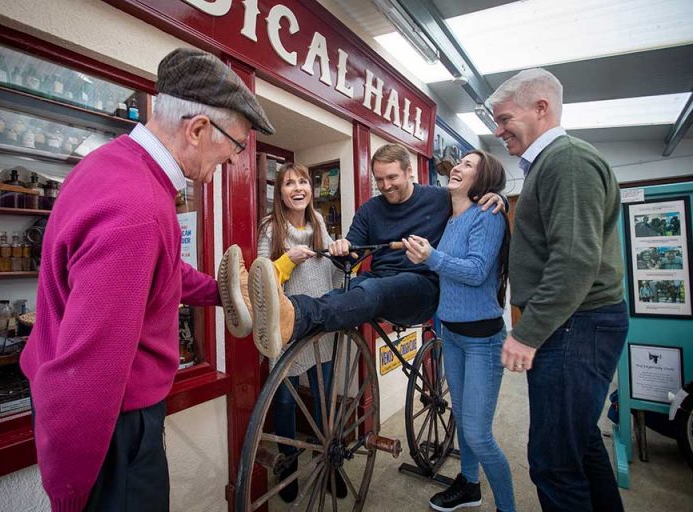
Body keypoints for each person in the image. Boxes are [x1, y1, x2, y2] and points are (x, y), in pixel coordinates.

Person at [20, 47, 274, 512]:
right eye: (235, 146)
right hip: (112, 429)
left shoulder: (113, 165)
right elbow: (88, 365)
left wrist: (222, 292)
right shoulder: (139, 209)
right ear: (198, 129)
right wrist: (73, 492)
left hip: (109, 418)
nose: (234, 160)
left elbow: (160, 270)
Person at [220, 143, 505, 362]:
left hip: (422, 288)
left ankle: (289, 320)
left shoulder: (438, 198)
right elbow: (352, 251)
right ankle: (270, 308)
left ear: (409, 172)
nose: (385, 186)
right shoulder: (370, 209)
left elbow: (473, 199)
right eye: (379, 179)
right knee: (341, 292)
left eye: (392, 177)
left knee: (372, 289)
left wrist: (498, 196)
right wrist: (343, 248)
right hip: (379, 282)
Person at [489, 68, 628, 512]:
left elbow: (574, 261)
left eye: (505, 117)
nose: (498, 130)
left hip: (575, 326)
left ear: (541, 108)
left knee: (552, 464)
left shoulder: (567, 161)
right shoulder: (549, 164)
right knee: (581, 444)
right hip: (574, 325)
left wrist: (528, 332)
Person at [402, 150, 515, 512]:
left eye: (469, 165)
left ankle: (508, 507)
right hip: (449, 332)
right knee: (463, 421)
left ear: (482, 180)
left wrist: (432, 257)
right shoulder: (452, 219)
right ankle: (470, 485)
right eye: (459, 163)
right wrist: (424, 257)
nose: (459, 168)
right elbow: (446, 269)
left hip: (482, 339)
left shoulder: (488, 214)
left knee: (479, 435)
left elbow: (477, 271)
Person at [257, 162, 346, 501]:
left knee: (325, 400)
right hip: (288, 331)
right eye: (289, 183)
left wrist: (342, 256)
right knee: (284, 403)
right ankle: (288, 469)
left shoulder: (320, 224)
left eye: (303, 182)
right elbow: (260, 284)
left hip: (320, 328)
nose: (298, 188)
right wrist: (287, 261)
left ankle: (329, 463)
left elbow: (335, 277)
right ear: (280, 193)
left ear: (311, 188)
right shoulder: (270, 228)